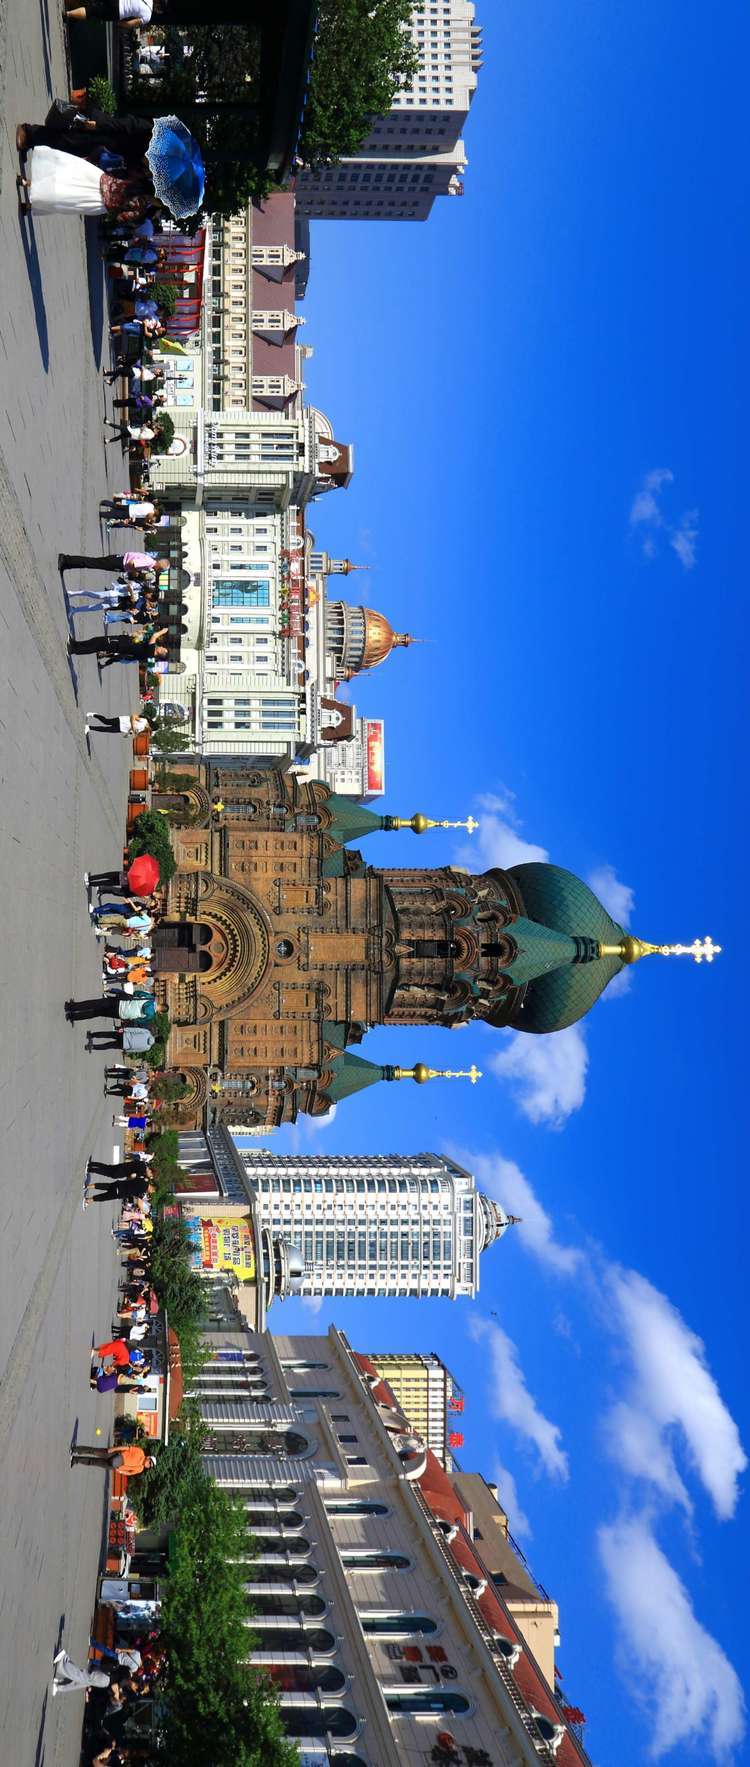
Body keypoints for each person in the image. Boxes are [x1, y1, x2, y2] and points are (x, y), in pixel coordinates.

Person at [18, 154, 151, 220]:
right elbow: (121, 217)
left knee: (64, 180)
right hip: (98, 203)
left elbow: (126, 168)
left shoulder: (138, 180)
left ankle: (26, 182)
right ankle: (30, 206)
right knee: (63, 201)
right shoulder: (140, 208)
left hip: (99, 180)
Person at [70, 1442, 155, 1474]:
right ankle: (76, 1449)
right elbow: (126, 1448)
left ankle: (75, 1460)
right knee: (94, 1451)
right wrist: (113, 1449)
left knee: (93, 1462)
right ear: (148, 1458)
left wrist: (121, 1471)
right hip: (115, 1454)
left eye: (150, 1466)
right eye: (150, 1462)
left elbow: (130, 1473)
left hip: (115, 1466)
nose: (149, 1465)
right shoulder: (140, 1452)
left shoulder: (140, 1469)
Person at [59, 551, 167, 575]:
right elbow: (132, 563)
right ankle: (66, 559)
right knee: (91, 562)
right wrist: (135, 572)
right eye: (160, 571)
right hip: (119, 563)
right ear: (159, 568)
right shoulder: (148, 562)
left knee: (92, 563)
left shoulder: (149, 560)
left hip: (119, 560)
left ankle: (68, 564)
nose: (158, 571)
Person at [86, 1026, 156, 1054]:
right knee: (108, 1046)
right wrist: (127, 1051)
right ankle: (92, 1047)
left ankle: (91, 1035)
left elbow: (135, 1030)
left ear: (156, 1036)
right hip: (124, 1045)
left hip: (124, 1035)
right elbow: (136, 1050)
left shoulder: (147, 1032)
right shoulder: (147, 1048)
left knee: (107, 1034)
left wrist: (124, 1029)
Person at [85, 713, 151, 738]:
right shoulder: (144, 721)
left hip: (121, 729)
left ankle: (89, 727)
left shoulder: (141, 729)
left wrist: (128, 734)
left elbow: (132, 731)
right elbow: (133, 716)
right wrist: (133, 725)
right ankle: (93, 715)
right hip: (121, 720)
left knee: (105, 729)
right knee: (105, 721)